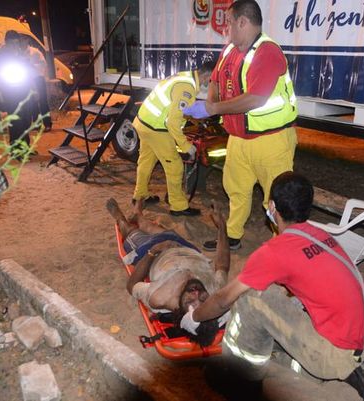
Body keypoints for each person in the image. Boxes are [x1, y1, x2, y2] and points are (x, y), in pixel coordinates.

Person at [180, 172, 364, 401]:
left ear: (272, 206)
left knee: (251, 299)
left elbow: (222, 299)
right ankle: (347, 370)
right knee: (270, 316)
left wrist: (195, 317)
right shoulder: (321, 235)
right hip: (355, 341)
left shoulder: (275, 252)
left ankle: (239, 380)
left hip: (330, 351)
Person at [183, 0, 298, 250]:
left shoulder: (267, 52)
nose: (226, 29)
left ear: (243, 22)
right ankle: (233, 236)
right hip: (238, 139)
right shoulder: (229, 50)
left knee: (277, 199)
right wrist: (210, 101)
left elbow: (256, 99)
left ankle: (283, 249)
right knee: (236, 190)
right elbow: (214, 79)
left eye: (229, 23)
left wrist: (213, 109)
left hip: (272, 141)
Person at [106, 197, 230, 346]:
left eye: (190, 300)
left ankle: (120, 217)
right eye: (203, 299)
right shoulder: (215, 291)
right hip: (184, 247)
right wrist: (222, 227)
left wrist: (153, 251)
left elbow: (131, 285)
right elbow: (222, 265)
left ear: (181, 310)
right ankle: (138, 214)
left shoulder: (159, 297)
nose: (196, 293)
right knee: (150, 226)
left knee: (130, 230)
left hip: (153, 251)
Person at [132, 61, 215, 217]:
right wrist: (185, 146)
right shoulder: (187, 88)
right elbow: (172, 122)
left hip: (143, 122)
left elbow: (175, 107)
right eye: (211, 80)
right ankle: (178, 206)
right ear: (206, 75)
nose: (211, 84)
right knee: (175, 166)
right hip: (156, 129)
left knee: (146, 161)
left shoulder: (184, 76)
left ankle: (140, 194)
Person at [0, 30, 34, 148]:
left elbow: (28, 69)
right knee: (16, 120)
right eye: (12, 43)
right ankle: (15, 147)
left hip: (24, 88)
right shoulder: (0, 55)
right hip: (10, 91)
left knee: (26, 118)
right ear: (6, 42)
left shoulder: (21, 53)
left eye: (16, 43)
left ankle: (25, 146)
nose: (14, 46)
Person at [19, 35, 52, 132]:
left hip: (37, 78)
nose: (21, 42)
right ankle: (36, 124)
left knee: (42, 102)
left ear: (27, 40)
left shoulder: (35, 52)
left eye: (22, 40)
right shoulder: (18, 53)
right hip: (25, 80)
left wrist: (32, 65)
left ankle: (47, 124)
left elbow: (43, 64)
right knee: (31, 102)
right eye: (19, 41)